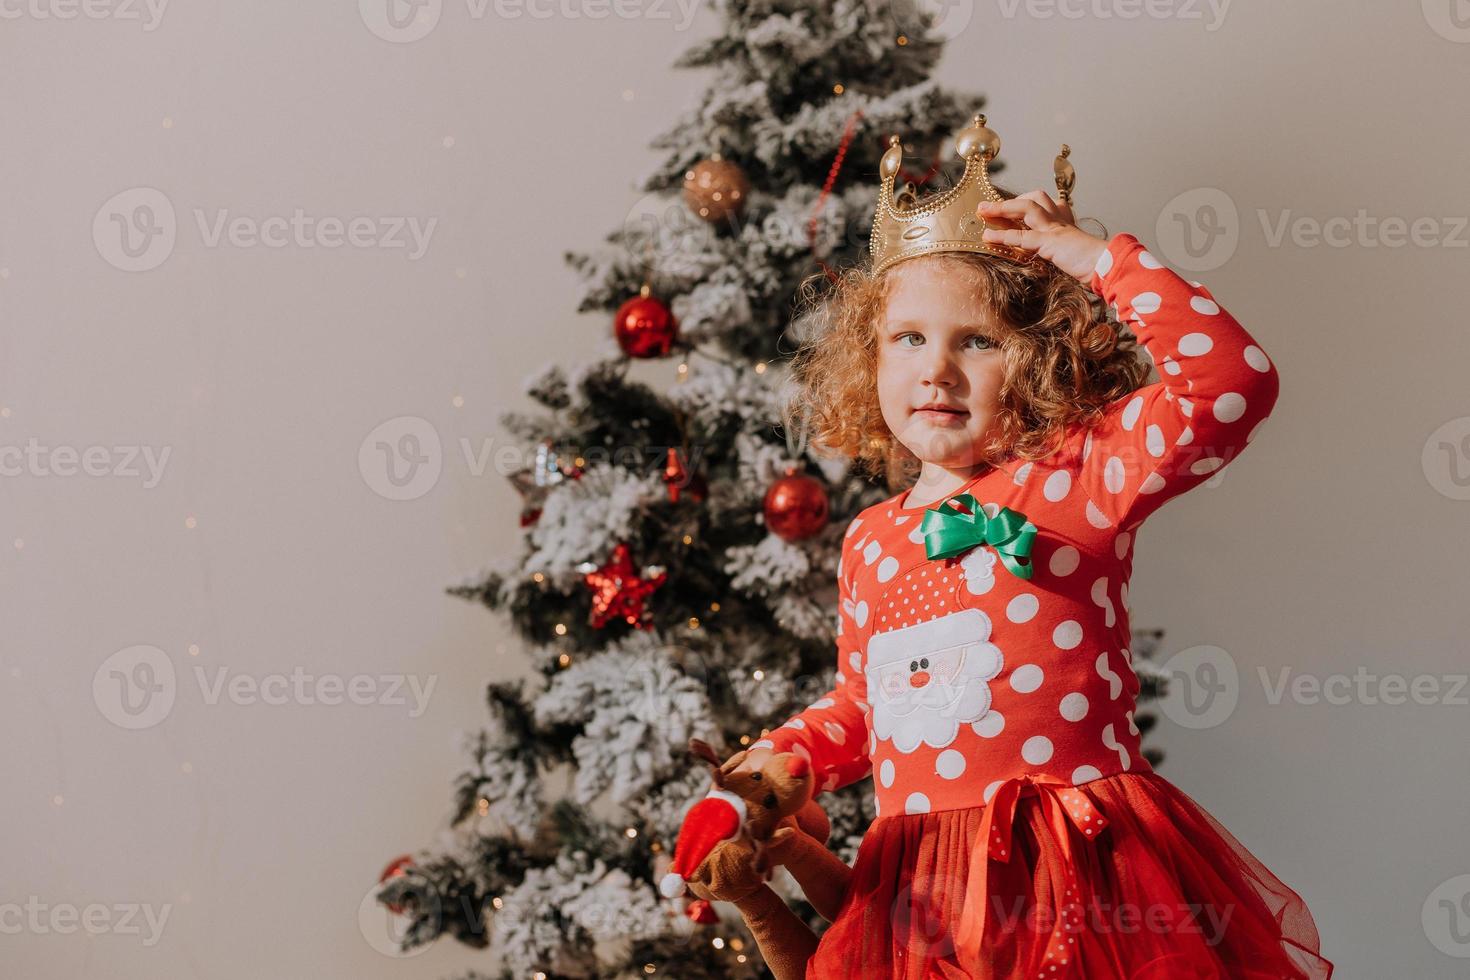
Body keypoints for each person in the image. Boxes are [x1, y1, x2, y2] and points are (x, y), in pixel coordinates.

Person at [731, 117, 1333, 979]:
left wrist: (1098, 261)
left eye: (975, 341)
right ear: (869, 359)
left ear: (1039, 359)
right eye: (908, 339)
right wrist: (781, 758)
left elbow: (1232, 383)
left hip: (1076, 876)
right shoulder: (870, 538)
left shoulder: (1081, 473)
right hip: (918, 900)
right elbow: (863, 706)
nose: (936, 369)